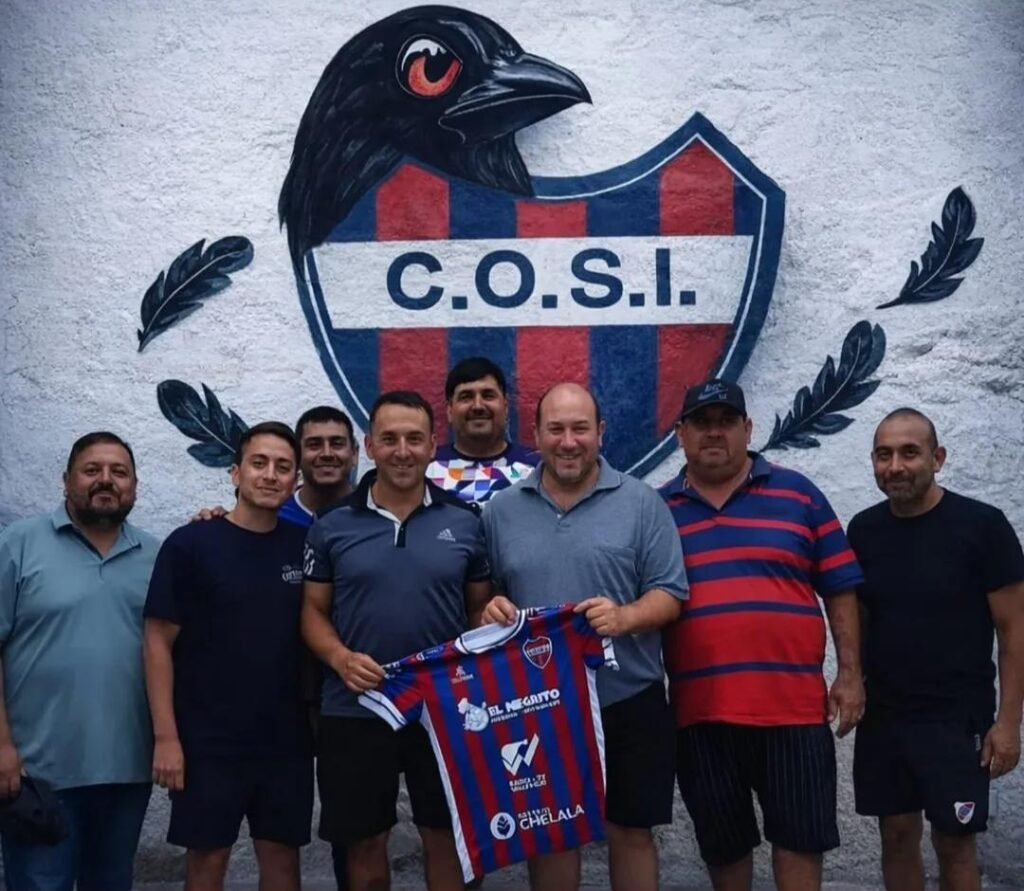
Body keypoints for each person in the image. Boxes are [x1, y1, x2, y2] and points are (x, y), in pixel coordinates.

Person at [481, 382, 688, 891]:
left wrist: (624, 618)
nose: (568, 441)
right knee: (551, 835)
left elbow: (671, 595)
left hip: (628, 698)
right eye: (555, 429)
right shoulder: (500, 511)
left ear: (601, 432)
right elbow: (487, 598)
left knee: (631, 831)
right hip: (538, 705)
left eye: (580, 428)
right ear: (534, 435)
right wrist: (490, 611)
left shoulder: (642, 503)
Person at [659, 378, 864, 891]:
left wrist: (850, 676)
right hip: (701, 715)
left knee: (800, 841)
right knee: (724, 848)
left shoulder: (799, 494)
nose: (714, 432)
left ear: (748, 429)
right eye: (701, 423)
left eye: (726, 421)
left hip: (793, 711)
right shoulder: (656, 512)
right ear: (680, 434)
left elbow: (840, 587)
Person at [302, 390, 491, 891]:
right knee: (363, 841)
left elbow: (477, 608)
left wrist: (490, 620)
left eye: (413, 438)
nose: (402, 451)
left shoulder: (466, 521)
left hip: (446, 709)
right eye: (389, 439)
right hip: (356, 706)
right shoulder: (331, 525)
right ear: (369, 446)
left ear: (432, 444)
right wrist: (340, 658)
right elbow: (313, 612)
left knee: (446, 836)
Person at [847, 408, 1024, 891]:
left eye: (910, 452)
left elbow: (1014, 632)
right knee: (896, 836)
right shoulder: (863, 531)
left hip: (957, 719)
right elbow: (856, 622)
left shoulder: (983, 526)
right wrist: (850, 680)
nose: (895, 466)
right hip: (885, 717)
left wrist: (1008, 723)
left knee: (955, 843)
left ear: (937, 458)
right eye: (884, 455)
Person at [144, 422, 313, 891]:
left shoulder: (304, 547)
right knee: (208, 860)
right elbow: (157, 641)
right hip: (207, 741)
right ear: (235, 473)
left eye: (283, 467)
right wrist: (166, 737)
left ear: (295, 480)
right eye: (259, 463)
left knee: (282, 861)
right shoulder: (190, 544)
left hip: (285, 740)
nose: (270, 475)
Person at [0, 432, 159, 891]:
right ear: (66, 480)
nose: (106, 480)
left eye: (119, 472)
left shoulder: (156, 556)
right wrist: (2, 747)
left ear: (134, 486)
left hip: (128, 769)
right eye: (92, 470)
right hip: (37, 772)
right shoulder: (18, 544)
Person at [427, 356, 538, 505]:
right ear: (449, 410)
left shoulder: (536, 469)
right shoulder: (426, 470)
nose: (478, 406)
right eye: (466, 397)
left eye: (488, 395)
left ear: (505, 407)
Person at [280, 405, 360, 526]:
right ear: (297, 454)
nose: (326, 454)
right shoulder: (276, 518)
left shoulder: (376, 517)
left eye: (337, 444)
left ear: (354, 454)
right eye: (314, 445)